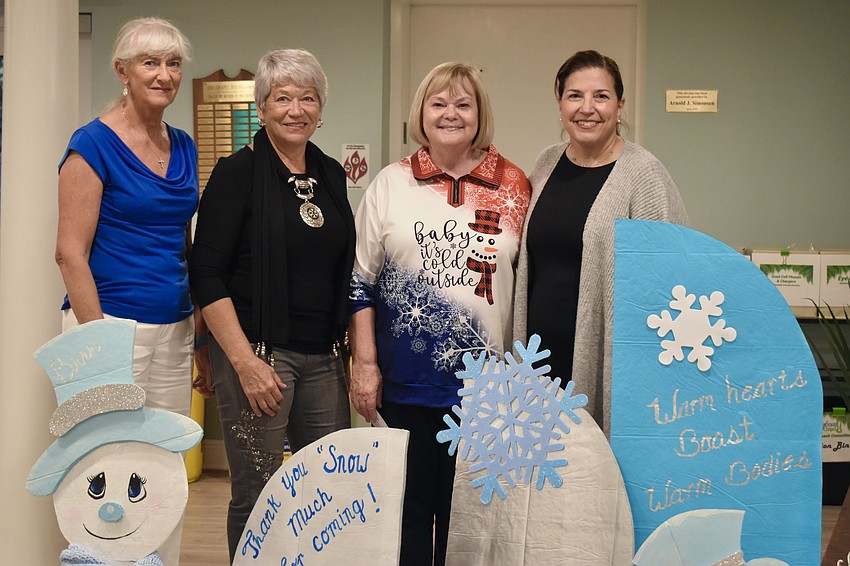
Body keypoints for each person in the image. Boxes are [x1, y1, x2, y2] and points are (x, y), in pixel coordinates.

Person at [349, 62, 530, 566]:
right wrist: (364, 364)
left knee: (471, 524)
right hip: (405, 384)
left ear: (479, 114)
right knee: (406, 517)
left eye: (463, 103)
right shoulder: (390, 183)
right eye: (438, 103)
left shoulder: (514, 184)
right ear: (421, 114)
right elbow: (358, 283)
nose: (451, 113)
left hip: (486, 390)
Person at [189, 48, 353, 563]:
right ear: (262, 106)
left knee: (326, 494)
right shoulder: (236, 173)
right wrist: (242, 361)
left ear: (321, 108)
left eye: (308, 98)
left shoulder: (330, 174)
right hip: (256, 358)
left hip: (325, 359)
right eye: (282, 98)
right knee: (257, 492)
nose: (295, 109)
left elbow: (340, 268)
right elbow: (206, 273)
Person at [54, 16, 197, 566]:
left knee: (162, 466)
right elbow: (70, 252)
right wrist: (102, 349)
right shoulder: (91, 144)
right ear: (122, 71)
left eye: (173, 63)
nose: (164, 74)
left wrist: (200, 335)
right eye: (150, 63)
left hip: (174, 327)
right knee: (102, 467)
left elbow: (182, 242)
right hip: (107, 327)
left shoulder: (182, 145)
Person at [513, 50, 689, 436]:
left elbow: (671, 278)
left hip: (603, 362)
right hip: (538, 356)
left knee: (593, 477)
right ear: (560, 104)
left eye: (601, 96)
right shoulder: (546, 163)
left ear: (620, 105)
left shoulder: (643, 174)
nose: (586, 108)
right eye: (574, 95)